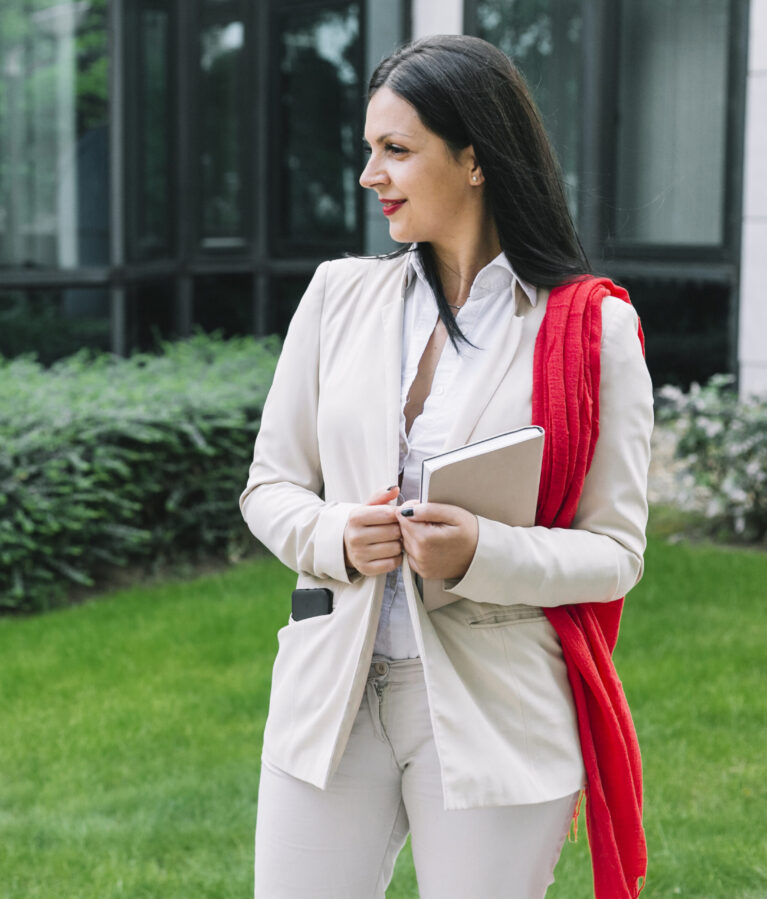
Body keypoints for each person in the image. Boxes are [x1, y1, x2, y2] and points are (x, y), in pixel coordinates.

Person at [240, 34, 653, 899]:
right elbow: (269, 486)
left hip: (492, 710)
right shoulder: (336, 297)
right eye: (369, 150)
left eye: (396, 150)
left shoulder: (587, 330)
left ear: (474, 159)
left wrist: (480, 552)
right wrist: (334, 533)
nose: (370, 175)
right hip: (330, 695)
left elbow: (614, 551)